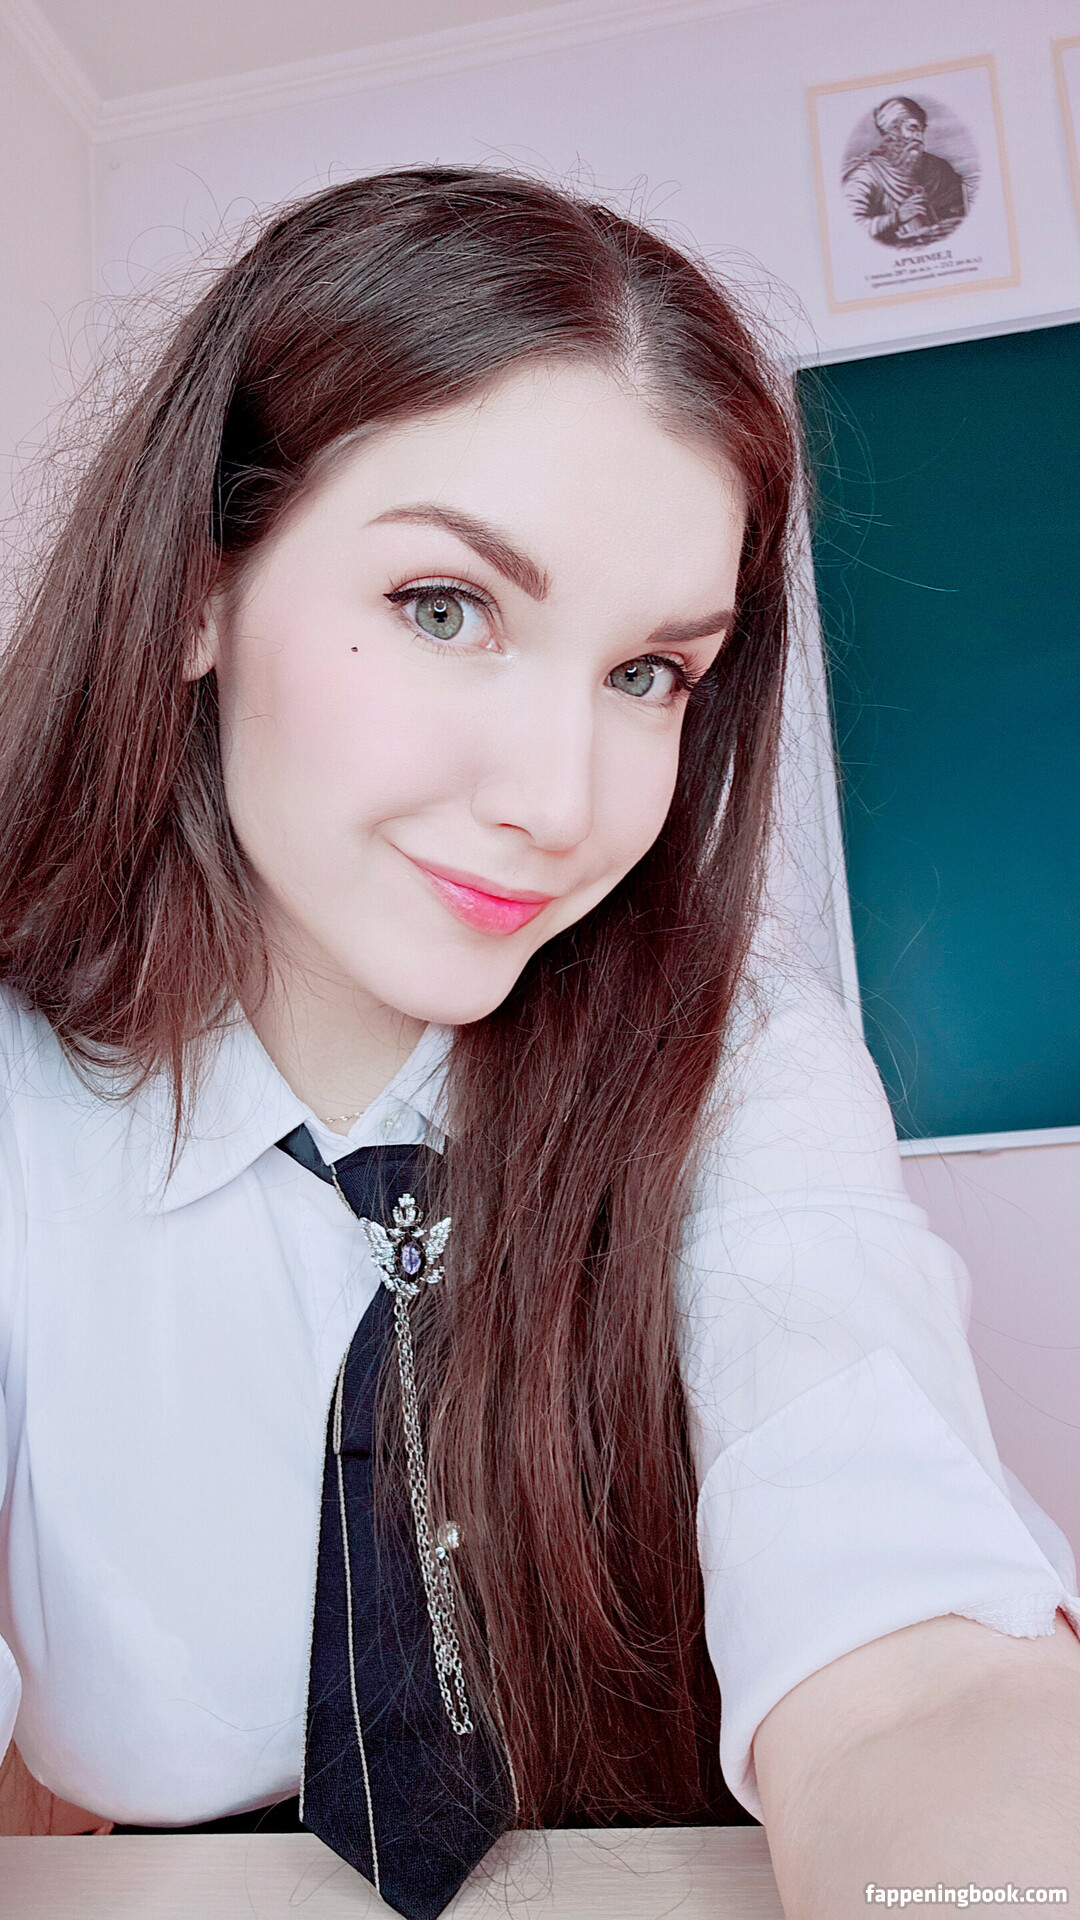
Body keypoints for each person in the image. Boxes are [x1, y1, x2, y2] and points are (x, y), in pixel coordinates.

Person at [0, 167, 1077, 1917]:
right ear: (201, 583)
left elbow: (914, 1668)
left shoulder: (737, 1055)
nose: (563, 805)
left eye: (649, 674)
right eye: (448, 608)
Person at [843, 95, 968, 247]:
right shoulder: (866, 174)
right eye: (912, 128)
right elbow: (851, 229)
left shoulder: (938, 169)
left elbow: (960, 217)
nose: (919, 136)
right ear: (891, 133)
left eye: (921, 130)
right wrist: (896, 218)